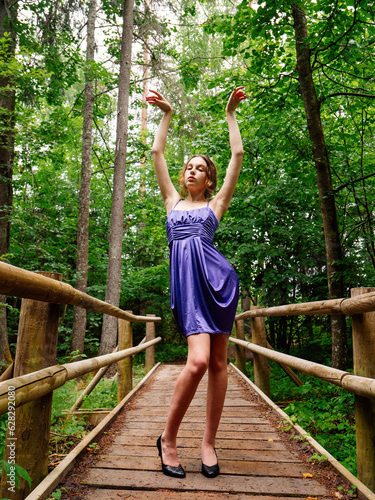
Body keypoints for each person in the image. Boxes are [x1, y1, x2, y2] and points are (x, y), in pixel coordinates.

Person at [146, 86, 246, 479]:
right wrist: (166, 114)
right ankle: (167, 439)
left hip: (219, 284)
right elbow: (156, 153)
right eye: (188, 166)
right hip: (189, 288)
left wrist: (230, 114)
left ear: (209, 180)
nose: (190, 171)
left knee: (219, 363)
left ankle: (208, 442)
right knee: (199, 360)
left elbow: (237, 155)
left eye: (199, 168)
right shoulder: (171, 201)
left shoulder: (214, 205)